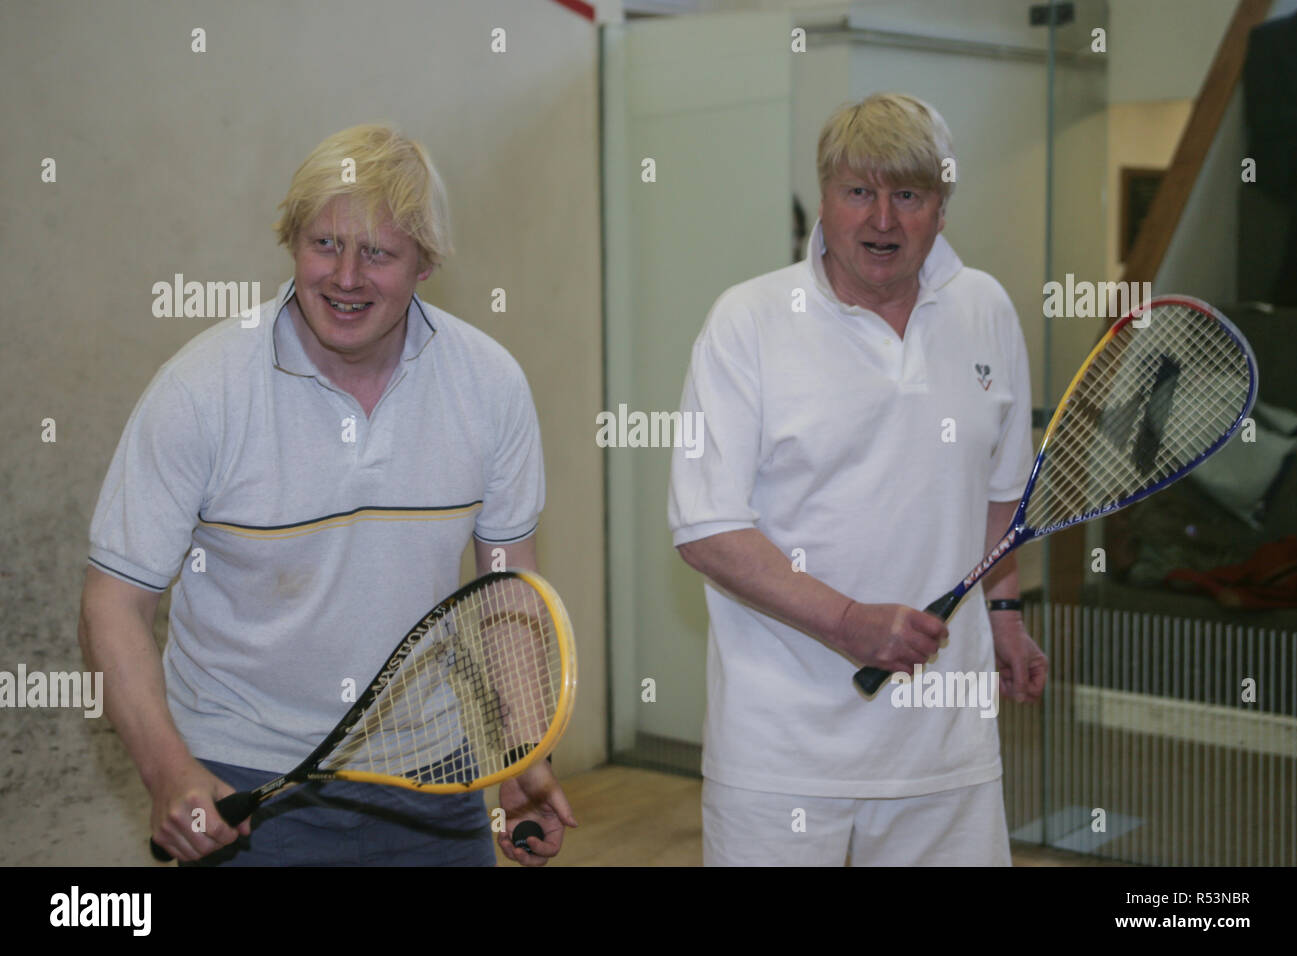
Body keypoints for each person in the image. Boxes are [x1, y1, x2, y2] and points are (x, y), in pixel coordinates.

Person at [78, 124, 575, 866]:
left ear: (425, 264)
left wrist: (520, 753)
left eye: (377, 252)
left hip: (435, 780)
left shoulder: (489, 384)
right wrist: (168, 770)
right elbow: (112, 603)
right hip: (246, 783)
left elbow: (504, 594)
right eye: (324, 244)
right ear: (291, 242)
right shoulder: (201, 389)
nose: (346, 276)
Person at [668, 94, 1048, 866]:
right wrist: (847, 621)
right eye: (858, 192)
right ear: (824, 198)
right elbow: (708, 529)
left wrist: (1003, 615)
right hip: (779, 758)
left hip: (946, 754)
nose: (882, 220)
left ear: (941, 207)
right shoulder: (747, 322)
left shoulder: (986, 309)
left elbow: (1000, 495)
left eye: (907, 194)